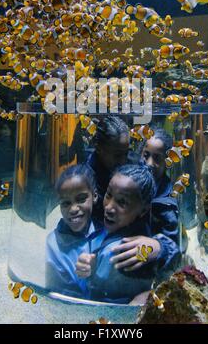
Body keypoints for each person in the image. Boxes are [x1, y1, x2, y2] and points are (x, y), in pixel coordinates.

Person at [86, 116, 180, 275]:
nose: (124, 160)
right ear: (99, 148)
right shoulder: (86, 180)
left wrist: (159, 247)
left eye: (126, 152)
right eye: (109, 195)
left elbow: (171, 249)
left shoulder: (136, 168)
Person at [76, 165, 174, 304]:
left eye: (122, 202)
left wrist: (160, 247)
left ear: (143, 210)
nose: (109, 207)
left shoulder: (132, 249)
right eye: (108, 195)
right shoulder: (107, 229)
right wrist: (90, 268)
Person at [45, 164, 106, 299]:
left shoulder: (106, 234)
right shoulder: (53, 243)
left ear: (95, 196)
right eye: (66, 203)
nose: (73, 209)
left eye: (81, 199)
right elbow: (57, 293)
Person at [140, 128, 179, 246]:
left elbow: (171, 245)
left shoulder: (167, 205)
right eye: (146, 155)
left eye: (157, 158)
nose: (149, 163)